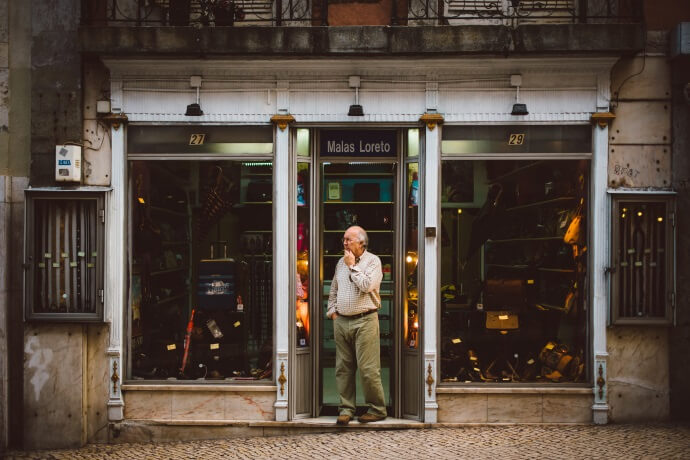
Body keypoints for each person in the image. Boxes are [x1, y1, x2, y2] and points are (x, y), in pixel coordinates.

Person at [327, 225, 387, 425]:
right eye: (344, 239)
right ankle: (346, 409)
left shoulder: (373, 261)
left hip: (365, 320)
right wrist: (333, 312)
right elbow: (334, 289)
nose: (344, 243)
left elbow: (367, 286)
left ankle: (377, 409)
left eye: (349, 240)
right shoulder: (339, 263)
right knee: (343, 368)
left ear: (362, 243)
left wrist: (353, 266)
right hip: (342, 320)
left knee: (368, 369)